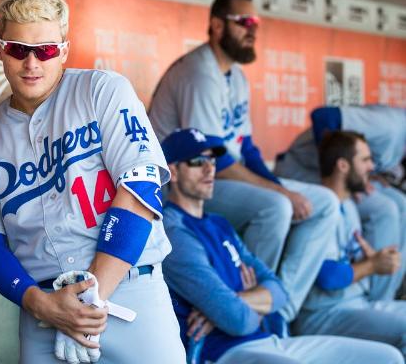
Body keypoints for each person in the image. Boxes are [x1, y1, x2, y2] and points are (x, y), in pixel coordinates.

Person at [0, 0, 185, 364]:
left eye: (44, 49)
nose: (31, 63)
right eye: (17, 49)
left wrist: (91, 299)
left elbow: (140, 188)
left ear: (63, 49)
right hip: (44, 308)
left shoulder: (102, 91)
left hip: (131, 292)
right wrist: (41, 305)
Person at [149, 0, 339, 322]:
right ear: (217, 26)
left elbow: (246, 147)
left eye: (257, 23)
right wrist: (281, 194)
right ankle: (245, 300)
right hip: (179, 183)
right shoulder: (199, 73)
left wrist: (280, 185)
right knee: (275, 207)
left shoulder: (235, 75)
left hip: (216, 177)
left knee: (323, 202)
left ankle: (281, 306)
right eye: (244, 22)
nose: (253, 30)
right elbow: (212, 160)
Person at [160, 128, 403, 364]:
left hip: (268, 341)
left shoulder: (219, 223)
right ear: (173, 170)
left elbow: (279, 292)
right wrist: (250, 301)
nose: (209, 169)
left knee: (387, 358)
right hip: (226, 352)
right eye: (196, 161)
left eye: (212, 161)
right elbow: (238, 320)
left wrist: (233, 301)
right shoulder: (175, 233)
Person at [293, 130, 406, 359]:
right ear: (343, 166)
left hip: (356, 304)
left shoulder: (350, 204)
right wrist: (372, 266)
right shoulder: (320, 208)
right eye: (364, 160)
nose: (371, 167)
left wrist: (371, 258)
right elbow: (327, 276)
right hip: (322, 315)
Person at [275, 104, 406, 300]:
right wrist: (338, 173)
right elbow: (323, 116)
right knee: (385, 209)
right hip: (300, 172)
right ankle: (377, 299)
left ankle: (383, 295)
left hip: (337, 174)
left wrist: (358, 175)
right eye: (366, 162)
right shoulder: (390, 126)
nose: (371, 165)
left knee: (400, 203)